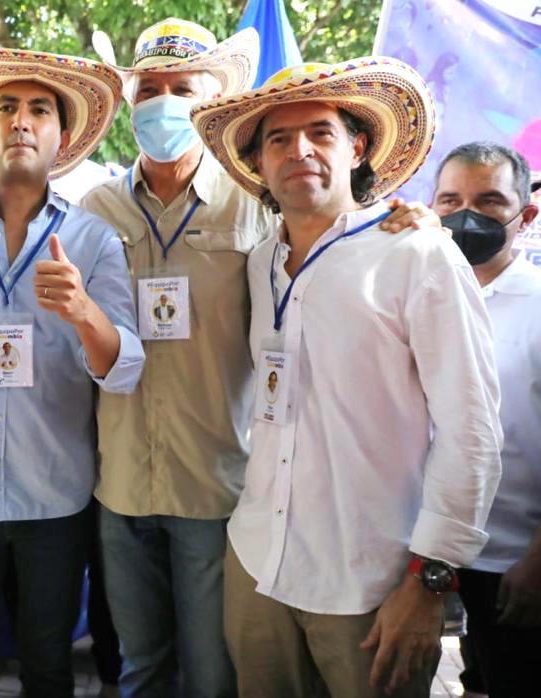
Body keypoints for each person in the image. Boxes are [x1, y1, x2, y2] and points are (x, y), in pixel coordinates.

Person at [82, 19, 439, 698]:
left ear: (208, 100)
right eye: (149, 91)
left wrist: (411, 217)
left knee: (217, 675)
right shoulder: (93, 209)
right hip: (121, 480)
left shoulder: (254, 202)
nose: (163, 104)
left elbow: (330, 230)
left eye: (181, 89)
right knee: (140, 669)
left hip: (218, 486)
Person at [192, 58, 502, 697]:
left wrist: (428, 583)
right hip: (258, 562)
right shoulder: (261, 263)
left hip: (369, 582)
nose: (298, 150)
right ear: (258, 163)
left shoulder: (417, 252)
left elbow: (471, 431)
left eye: (320, 132)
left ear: (357, 147)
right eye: (277, 138)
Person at [0, 46, 143, 698]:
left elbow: (125, 368)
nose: (22, 121)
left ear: (62, 137)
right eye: (7, 109)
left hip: (56, 497)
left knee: (48, 663)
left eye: (39, 110)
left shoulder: (94, 241)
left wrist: (83, 312)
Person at [432, 141, 541, 697]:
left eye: (489, 200)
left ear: (526, 215)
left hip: (514, 561)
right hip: (431, 554)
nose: (465, 214)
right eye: (450, 199)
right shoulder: (423, 297)